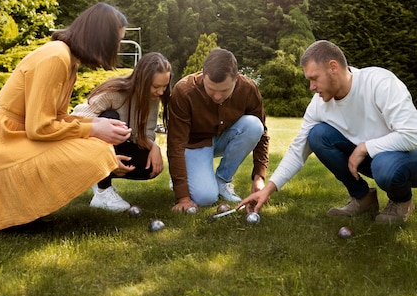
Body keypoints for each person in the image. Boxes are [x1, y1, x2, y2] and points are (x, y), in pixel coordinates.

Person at [0, 2, 135, 231]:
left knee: (98, 147)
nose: (117, 49)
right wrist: (93, 130)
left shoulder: (68, 60)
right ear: (100, 38)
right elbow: (39, 128)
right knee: (96, 149)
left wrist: (96, 123)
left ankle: (24, 213)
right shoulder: (56, 57)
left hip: (13, 137)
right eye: (115, 41)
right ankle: (16, 215)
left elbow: (57, 117)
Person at [238, 40, 417, 224]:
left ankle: (401, 202)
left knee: (384, 165)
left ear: (333, 67)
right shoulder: (319, 105)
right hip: (373, 159)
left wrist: (365, 147)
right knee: (317, 135)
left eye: (314, 78)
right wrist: (267, 190)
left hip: (408, 155)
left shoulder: (380, 83)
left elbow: (412, 135)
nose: (311, 87)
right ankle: (363, 199)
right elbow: (298, 150)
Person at [167, 47, 269, 212]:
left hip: (225, 137)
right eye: (211, 89)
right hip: (195, 144)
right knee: (206, 198)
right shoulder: (184, 91)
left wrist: (259, 176)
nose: (217, 96)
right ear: (203, 74)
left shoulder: (248, 89)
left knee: (254, 125)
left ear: (236, 78)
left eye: (224, 90)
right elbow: (175, 144)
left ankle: (222, 180)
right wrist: (183, 196)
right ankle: (184, 176)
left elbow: (262, 135)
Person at [72, 52, 171, 211]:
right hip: (90, 148)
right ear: (142, 81)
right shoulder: (115, 92)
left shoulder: (153, 99)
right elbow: (78, 117)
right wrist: (105, 156)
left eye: (164, 86)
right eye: (156, 86)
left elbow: (143, 134)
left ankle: (100, 178)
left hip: (119, 145)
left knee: (148, 165)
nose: (161, 92)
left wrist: (154, 147)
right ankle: (102, 191)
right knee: (110, 118)